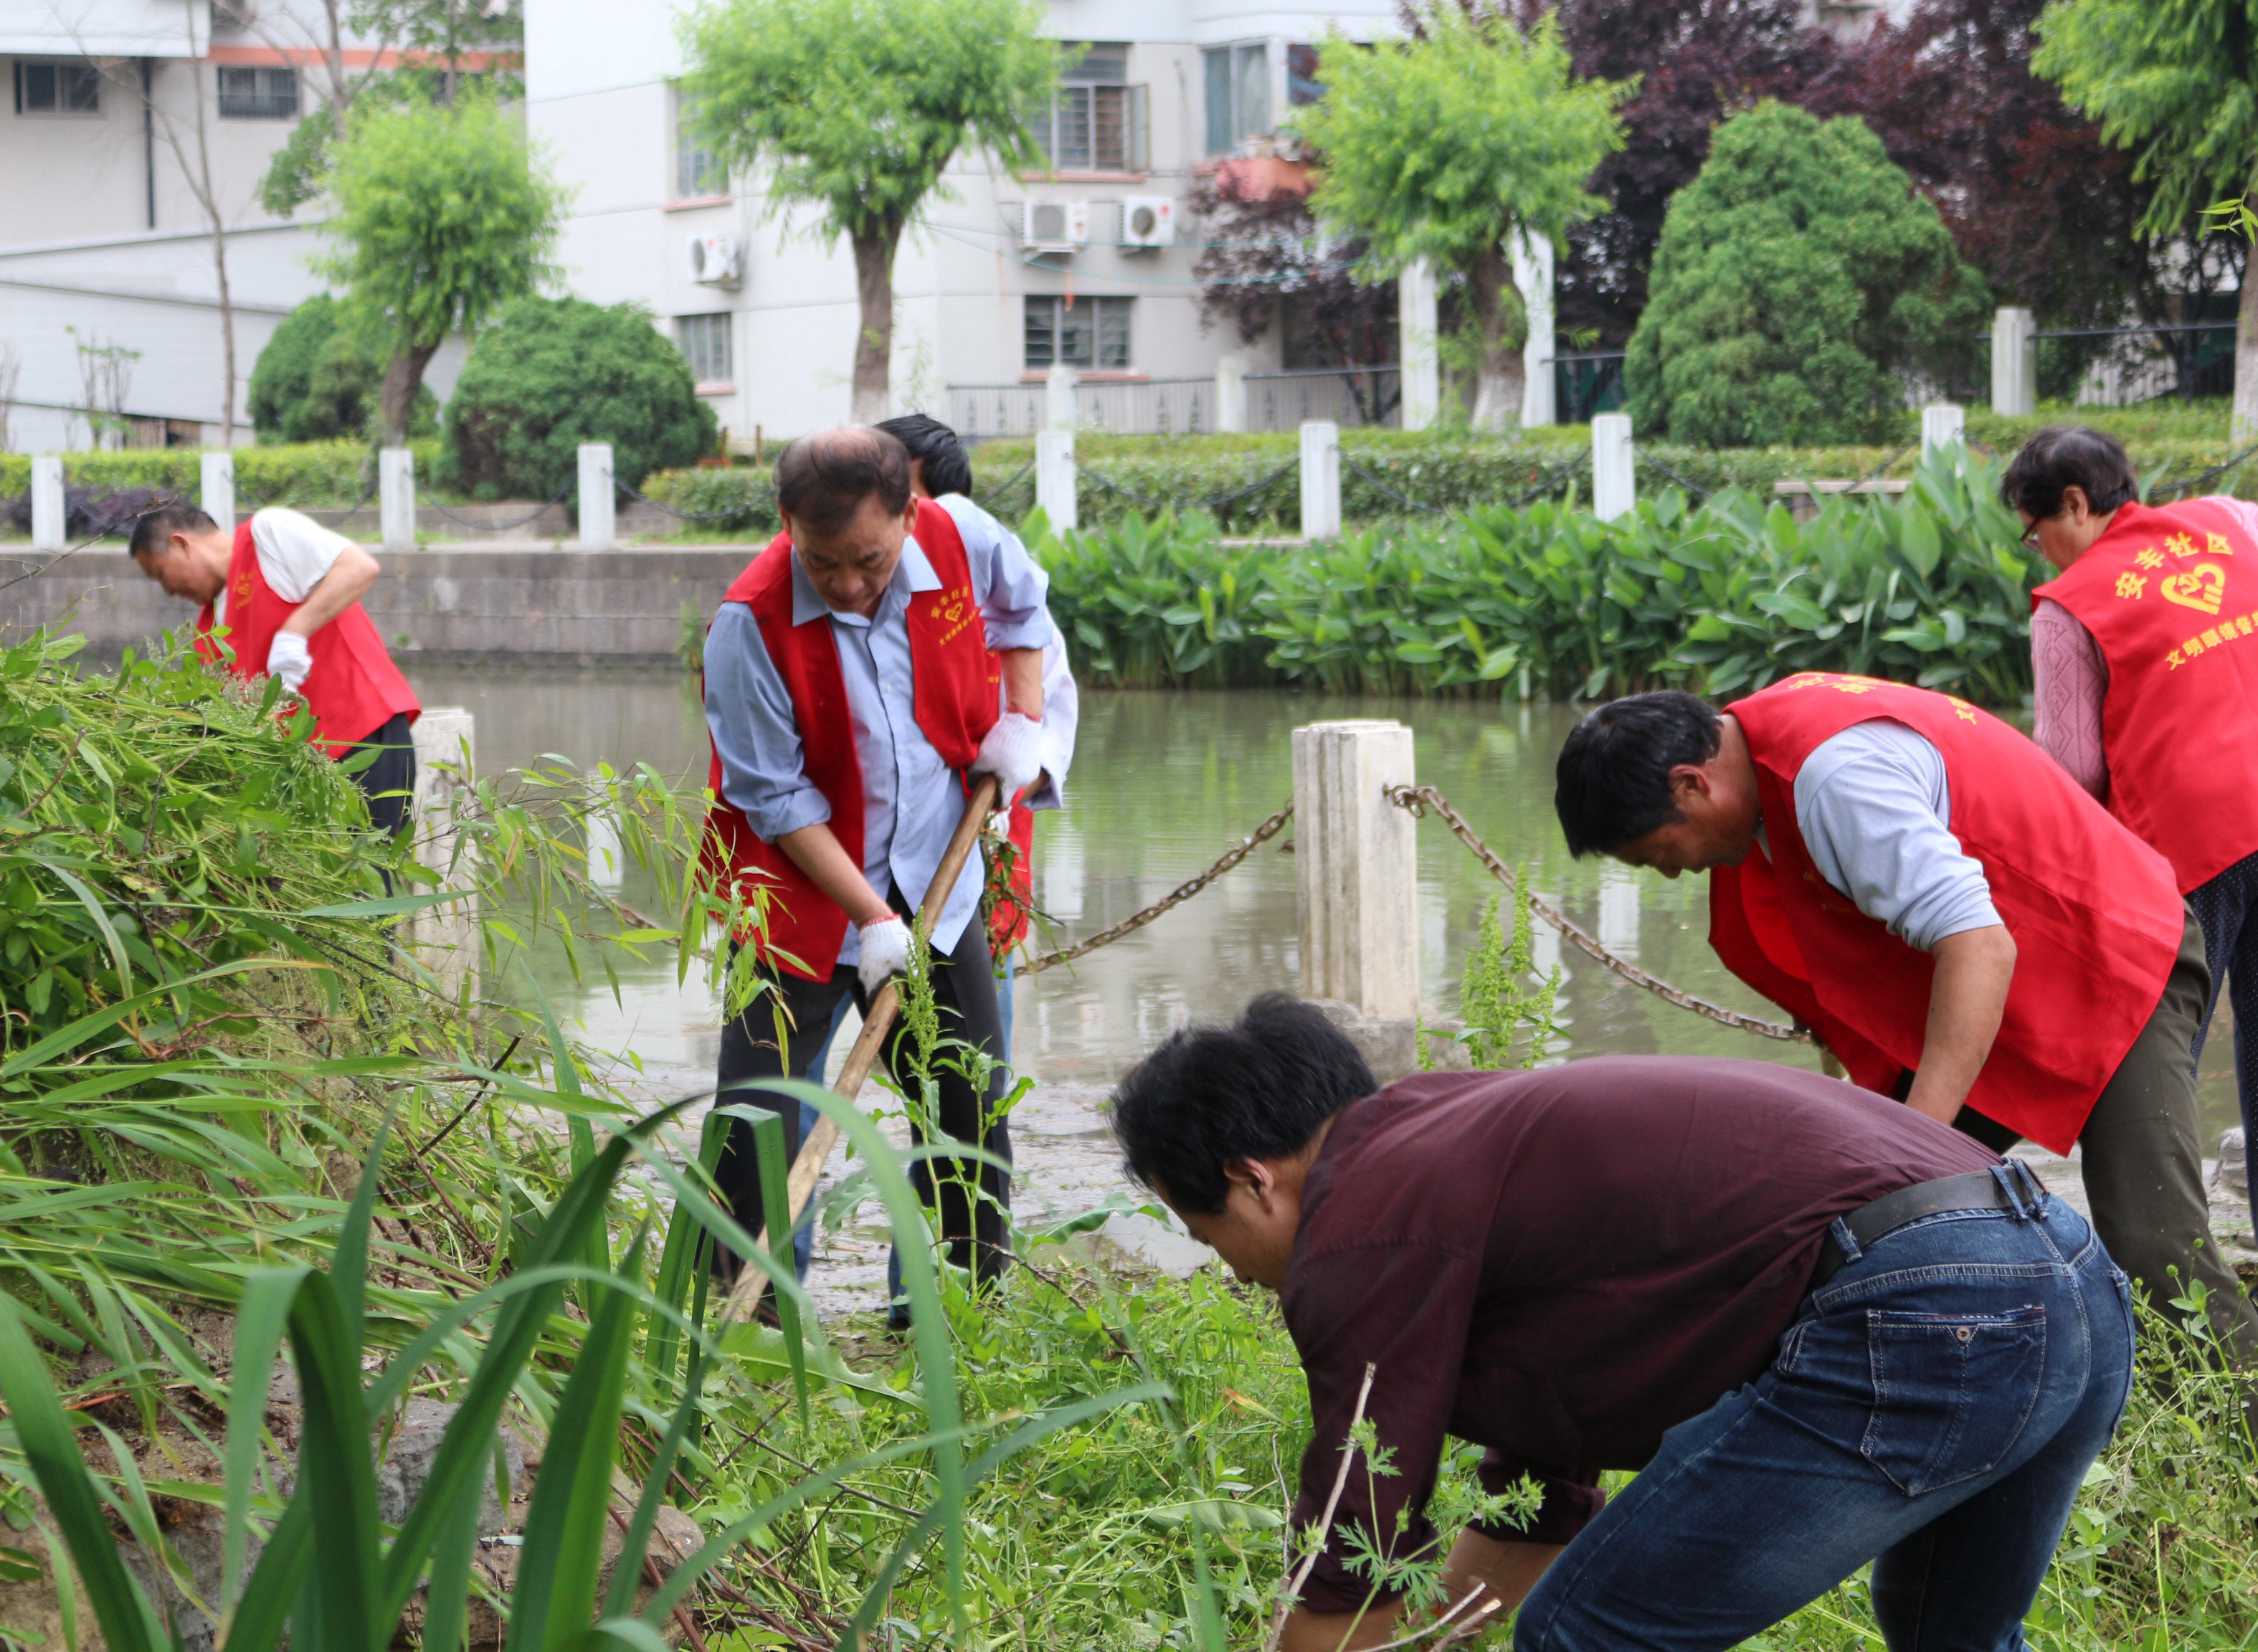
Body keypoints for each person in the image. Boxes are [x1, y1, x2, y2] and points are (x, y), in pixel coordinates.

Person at [1111, 995, 2134, 1652]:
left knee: (1585, 1635)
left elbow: (1358, 1528)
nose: (1229, 1271)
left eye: (1206, 1236)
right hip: (2067, 1276)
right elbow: (1532, 1520)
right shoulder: (1449, 1142)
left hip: (1932, 1304)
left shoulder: (1360, 1225)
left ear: (1253, 1180)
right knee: (1949, 1638)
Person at [1552, 678, 2258, 1518]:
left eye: (1657, 847)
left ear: (1691, 784)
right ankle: (1850, 1462)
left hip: (2107, 955)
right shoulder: (1763, 766)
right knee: (1846, 1226)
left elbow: (1978, 943)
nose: (1668, 870)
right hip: (1996, 988)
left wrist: (1915, 1146)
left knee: (2153, 1240)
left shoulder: (1836, 777)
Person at [701, 427, 1058, 1321]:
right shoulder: (748, 622)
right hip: (798, 894)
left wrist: (1023, 721)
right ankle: (749, 1319)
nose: (851, 584)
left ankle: (968, 1312)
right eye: (824, 564)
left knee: (965, 1103)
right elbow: (773, 798)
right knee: (760, 1117)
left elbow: (1024, 614)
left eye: (871, 559)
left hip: (938, 877)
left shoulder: (960, 535)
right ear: (787, 526)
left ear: (910, 513)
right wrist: (869, 917)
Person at [2010, 427, 2258, 1330]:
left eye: (2034, 527)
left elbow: (2075, 771)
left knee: (2156, 1062)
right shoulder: (2229, 526)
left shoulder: (2066, 608)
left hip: (2201, 839)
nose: (2035, 549)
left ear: (2077, 505)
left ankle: (2180, 1287)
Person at [876, 412, 1079, 1058]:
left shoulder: (1015, 606)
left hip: (980, 854)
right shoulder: (866, 599)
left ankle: (966, 1155)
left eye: (891, 490)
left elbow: (1047, 747)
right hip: (874, 865)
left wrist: (1003, 773)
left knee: (977, 1053)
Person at [128, 502, 422, 832]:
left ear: (181, 545)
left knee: (372, 868)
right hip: (303, 776)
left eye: (160, 574)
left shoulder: (267, 535)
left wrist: (294, 631)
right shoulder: (208, 633)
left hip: (364, 738)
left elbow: (358, 568)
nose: (168, 591)